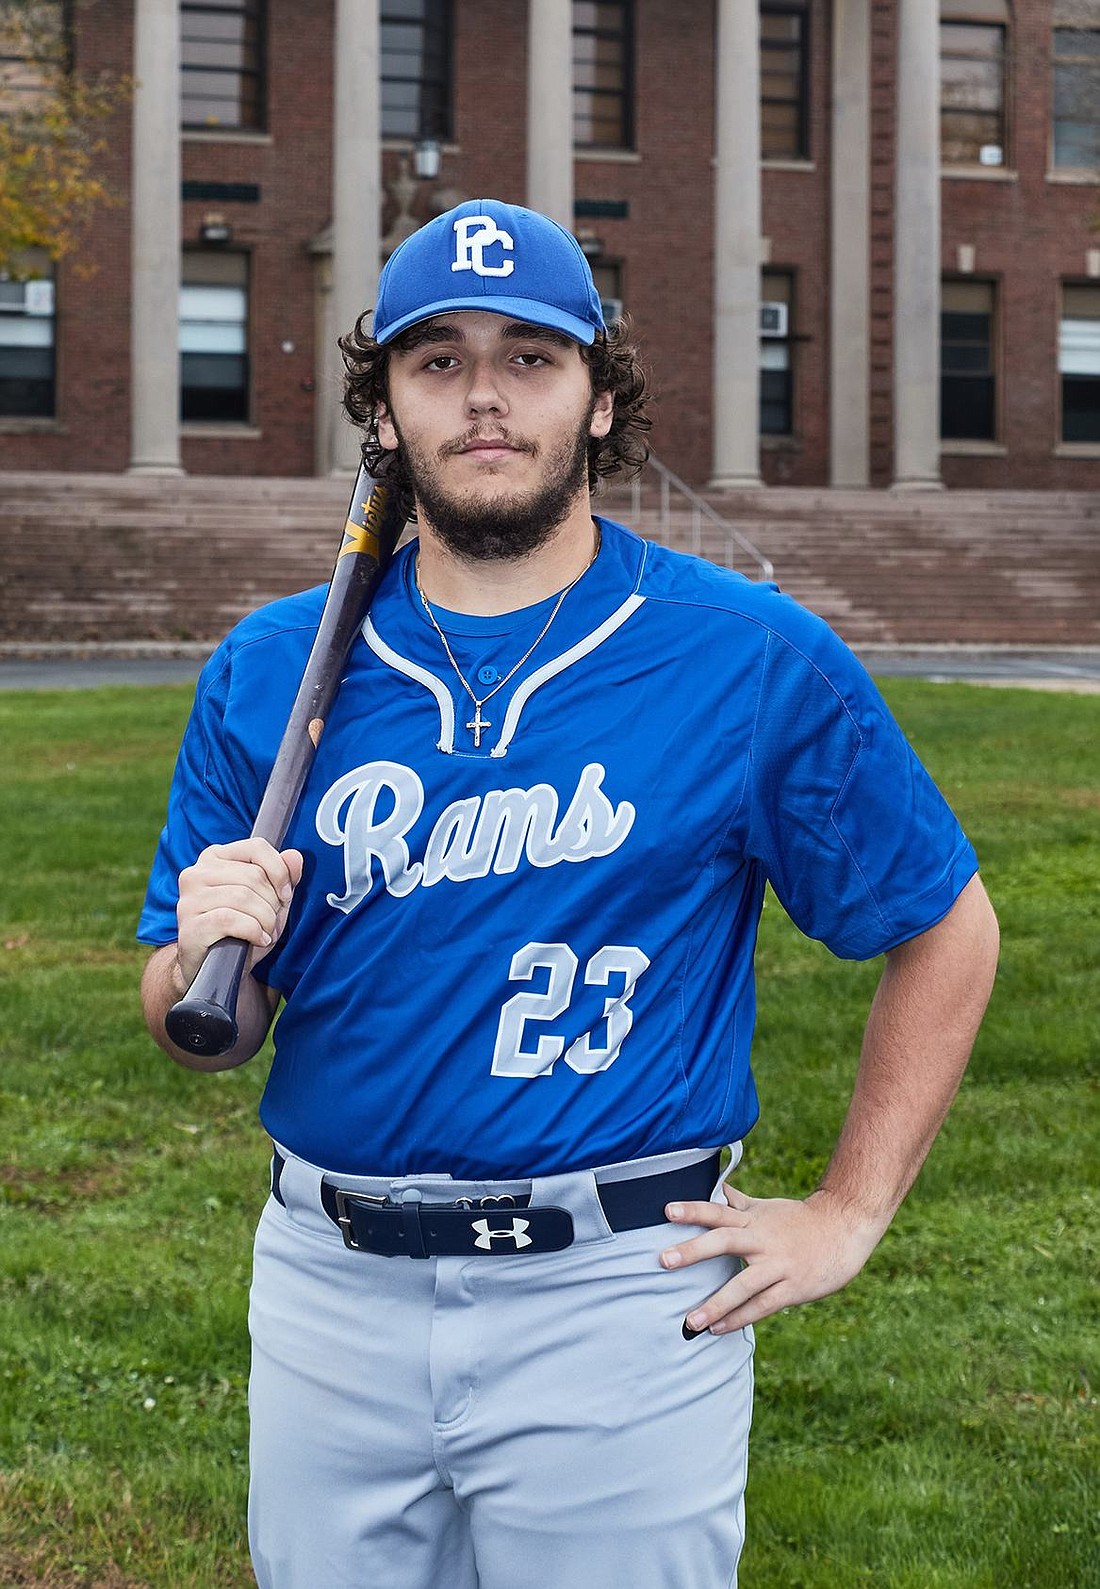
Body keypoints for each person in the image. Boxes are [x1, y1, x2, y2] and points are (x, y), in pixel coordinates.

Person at [139, 198, 999, 1589]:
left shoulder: (745, 655)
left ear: (600, 399)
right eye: (439, 361)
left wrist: (850, 1209)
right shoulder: (272, 666)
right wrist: (198, 958)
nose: (486, 396)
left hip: (618, 1291)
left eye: (531, 357)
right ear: (386, 411)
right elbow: (204, 1025)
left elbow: (947, 927)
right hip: (327, 1281)